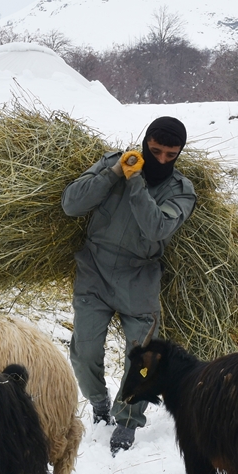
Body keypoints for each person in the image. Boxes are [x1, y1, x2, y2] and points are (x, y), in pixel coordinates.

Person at [61, 117, 197, 454]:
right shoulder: (114, 162)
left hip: (139, 279)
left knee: (144, 356)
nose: (163, 160)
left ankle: (127, 420)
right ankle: (98, 400)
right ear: (145, 141)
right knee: (84, 349)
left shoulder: (182, 191)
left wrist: (135, 181)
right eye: (155, 151)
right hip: (95, 270)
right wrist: (113, 175)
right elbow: (71, 204)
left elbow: (156, 228)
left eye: (171, 155)